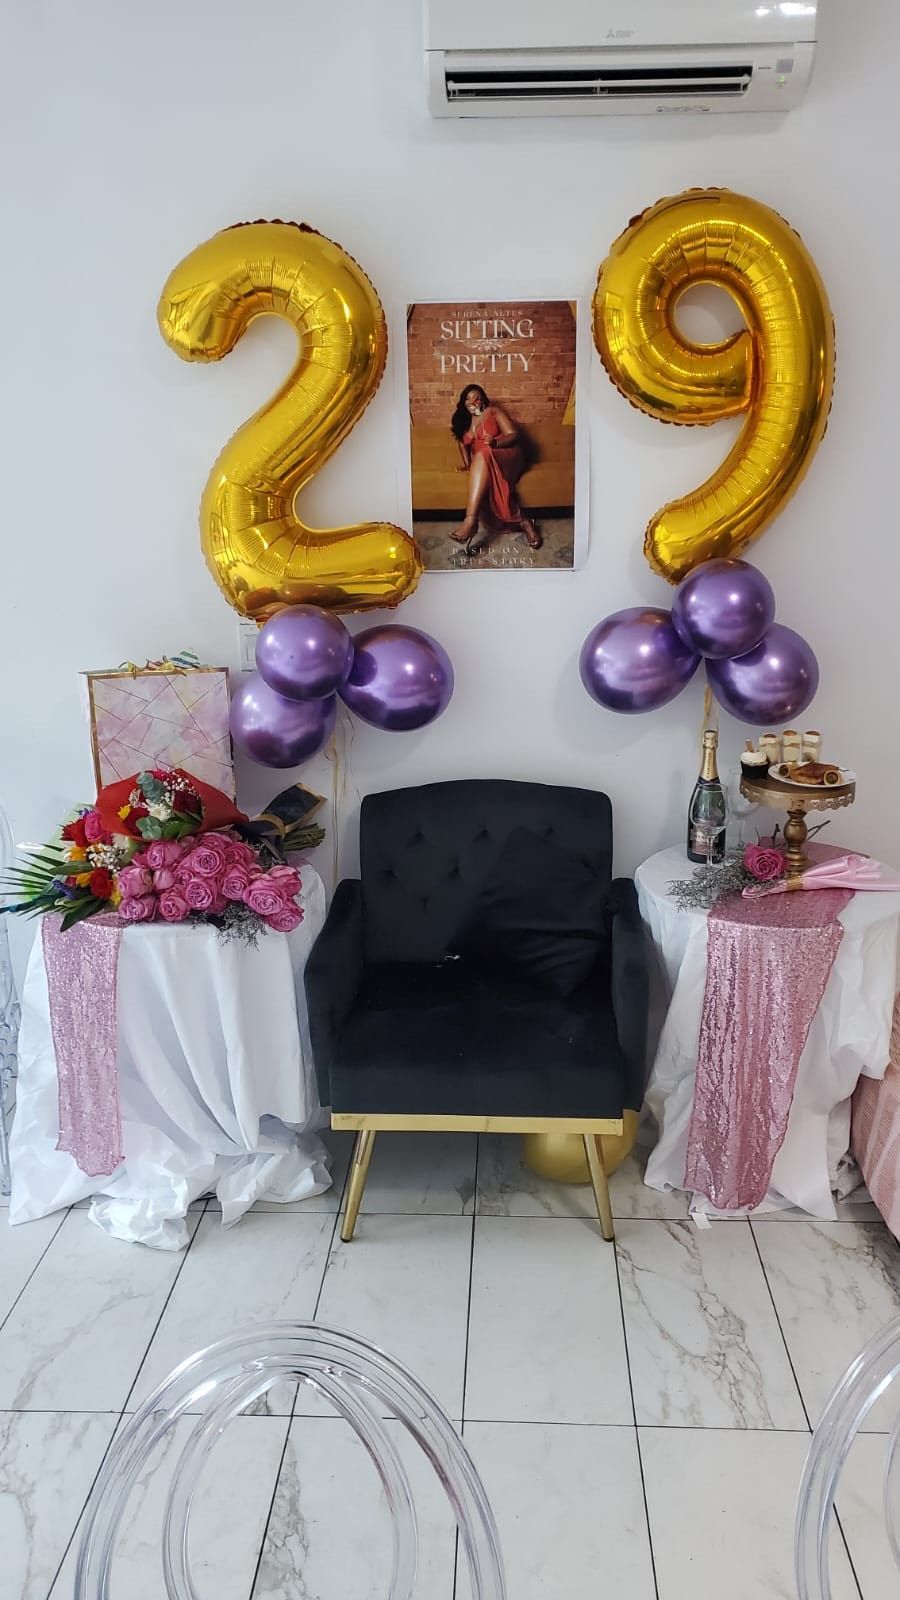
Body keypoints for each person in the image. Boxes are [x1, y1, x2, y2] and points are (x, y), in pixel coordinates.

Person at [449, 385, 542, 555]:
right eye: (468, 399)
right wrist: (468, 465)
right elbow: (463, 445)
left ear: (483, 400)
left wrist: (495, 443)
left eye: (477, 398)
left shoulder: (493, 411)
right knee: (482, 454)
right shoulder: (464, 421)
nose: (473, 402)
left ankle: (470, 520)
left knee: (484, 451)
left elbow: (513, 435)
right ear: (463, 403)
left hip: (506, 453)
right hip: (484, 460)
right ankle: (525, 522)